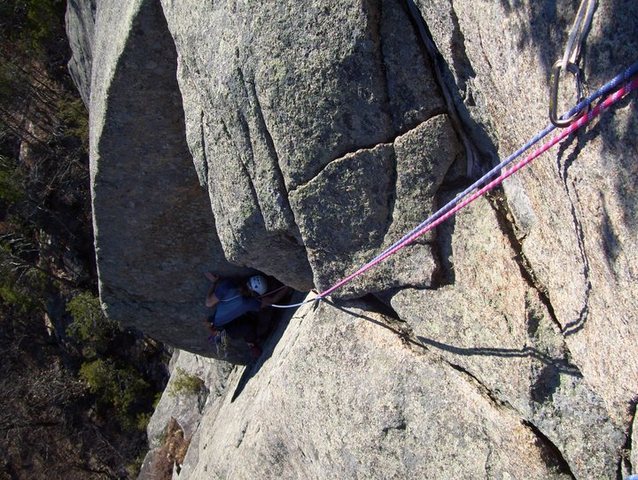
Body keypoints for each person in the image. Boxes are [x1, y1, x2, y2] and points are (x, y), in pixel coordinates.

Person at [203, 272, 290, 347]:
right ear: (256, 294)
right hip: (224, 329)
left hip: (217, 321)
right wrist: (289, 285)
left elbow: (208, 303)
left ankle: (218, 335)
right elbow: (273, 300)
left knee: (246, 320)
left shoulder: (227, 286)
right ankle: (251, 344)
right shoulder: (250, 303)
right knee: (249, 326)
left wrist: (214, 283)